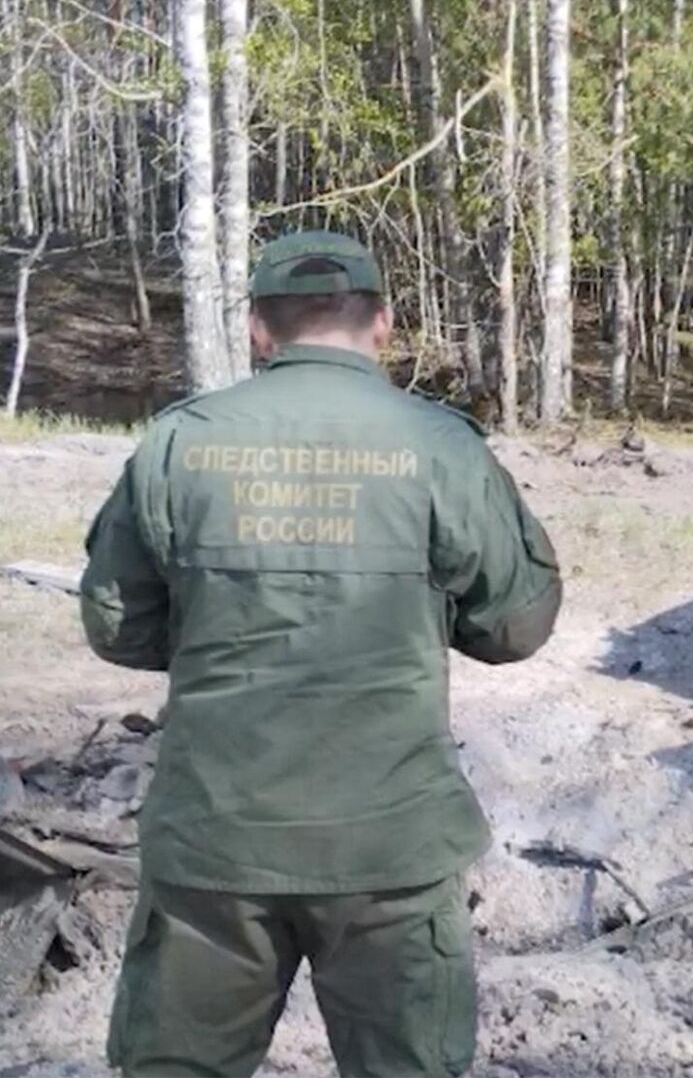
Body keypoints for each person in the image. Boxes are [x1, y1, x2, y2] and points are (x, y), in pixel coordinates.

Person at [78, 230, 562, 1077]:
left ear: (260, 331)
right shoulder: (440, 447)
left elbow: (118, 624)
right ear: (382, 324)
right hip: (390, 849)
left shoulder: (178, 443)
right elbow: (516, 627)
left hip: (213, 844)